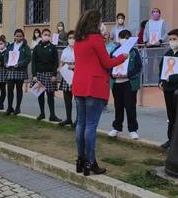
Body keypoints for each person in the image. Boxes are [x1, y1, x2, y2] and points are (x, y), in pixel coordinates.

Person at [73, 10, 128, 176]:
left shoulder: (78, 39)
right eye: (101, 22)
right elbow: (107, 62)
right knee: (90, 125)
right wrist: (122, 57)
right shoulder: (95, 39)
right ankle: (90, 162)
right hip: (94, 85)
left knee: (81, 124)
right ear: (96, 22)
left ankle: (81, 160)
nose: (102, 25)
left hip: (79, 84)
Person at [108, 30, 143, 140]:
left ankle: (133, 129)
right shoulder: (114, 51)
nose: (124, 40)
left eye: (127, 38)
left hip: (129, 83)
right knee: (118, 106)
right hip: (117, 83)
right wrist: (113, 75)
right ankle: (117, 127)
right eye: (122, 37)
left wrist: (128, 74)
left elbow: (138, 67)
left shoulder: (134, 52)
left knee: (130, 106)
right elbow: (109, 65)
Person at [158, 29, 178, 149]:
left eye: (174, 39)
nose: (172, 42)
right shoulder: (167, 53)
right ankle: (170, 139)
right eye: (170, 40)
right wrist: (161, 81)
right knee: (170, 115)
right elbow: (161, 68)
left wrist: (171, 78)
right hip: (167, 89)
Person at [31, 29, 60, 122]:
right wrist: (34, 75)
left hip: (50, 74)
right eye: (45, 34)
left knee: (50, 95)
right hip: (39, 74)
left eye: (48, 35)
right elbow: (33, 63)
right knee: (40, 94)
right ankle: (42, 113)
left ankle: (52, 115)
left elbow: (56, 62)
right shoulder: (36, 48)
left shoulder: (53, 47)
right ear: (41, 35)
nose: (46, 36)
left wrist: (54, 75)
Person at [5, 29, 31, 115]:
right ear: (14, 36)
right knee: (10, 89)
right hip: (11, 70)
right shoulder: (11, 46)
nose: (18, 37)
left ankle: (17, 107)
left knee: (19, 89)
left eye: (20, 36)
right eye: (17, 36)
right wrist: (6, 63)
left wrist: (19, 64)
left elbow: (28, 58)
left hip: (20, 70)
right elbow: (6, 56)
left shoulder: (25, 47)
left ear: (23, 37)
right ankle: (9, 107)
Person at [59, 31, 76, 127]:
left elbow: (82, 62)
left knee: (78, 99)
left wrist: (74, 66)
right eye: (69, 37)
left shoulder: (79, 49)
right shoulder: (65, 50)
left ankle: (78, 120)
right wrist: (60, 68)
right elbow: (61, 62)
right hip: (66, 75)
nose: (71, 39)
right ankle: (68, 118)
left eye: (73, 37)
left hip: (76, 75)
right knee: (67, 98)